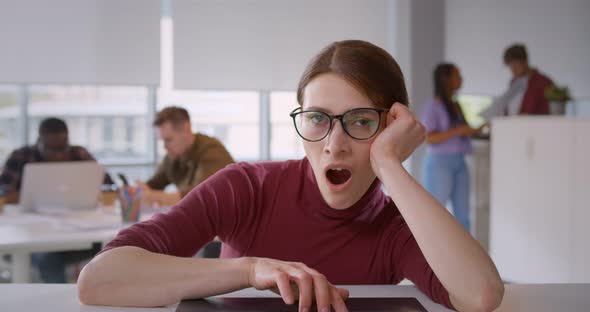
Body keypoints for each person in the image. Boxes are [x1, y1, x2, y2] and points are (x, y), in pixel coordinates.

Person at [78, 40, 504, 312]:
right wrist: (250, 271)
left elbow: (481, 296)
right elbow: (100, 279)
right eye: (317, 118)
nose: (333, 144)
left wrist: (390, 165)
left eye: (359, 121)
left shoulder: (395, 225)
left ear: (391, 126)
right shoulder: (246, 187)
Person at [0, 117, 112, 283]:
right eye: (51, 149)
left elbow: (108, 186)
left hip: (77, 231)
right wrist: (30, 194)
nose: (58, 155)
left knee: (112, 248)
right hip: (31, 235)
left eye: (62, 148)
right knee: (49, 259)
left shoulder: (79, 154)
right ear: (39, 142)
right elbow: (3, 193)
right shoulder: (21, 156)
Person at [134, 106, 234, 207]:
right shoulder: (174, 155)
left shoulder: (212, 151)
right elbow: (154, 184)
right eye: (162, 141)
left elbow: (201, 198)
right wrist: (138, 191)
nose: (164, 147)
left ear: (186, 129)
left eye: (168, 140)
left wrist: (154, 197)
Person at [421, 63, 479, 233]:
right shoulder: (433, 106)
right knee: (435, 213)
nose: (461, 79)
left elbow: (459, 132)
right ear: (446, 79)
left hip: (460, 162)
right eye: (457, 75)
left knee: (463, 216)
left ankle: (465, 256)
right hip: (440, 163)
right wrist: (458, 130)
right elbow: (429, 138)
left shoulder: (455, 105)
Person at [480, 43, 554, 119]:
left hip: (533, 126)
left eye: (515, 64)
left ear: (525, 61)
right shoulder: (513, 82)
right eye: (510, 66)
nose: (513, 69)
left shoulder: (543, 82)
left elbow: (548, 111)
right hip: (513, 125)